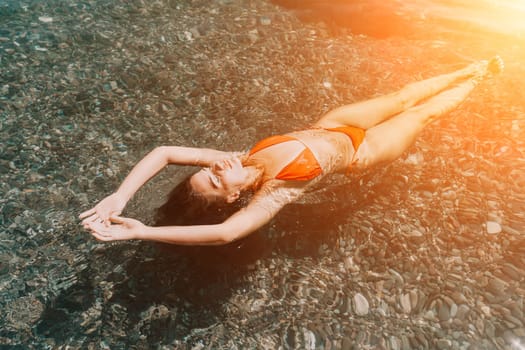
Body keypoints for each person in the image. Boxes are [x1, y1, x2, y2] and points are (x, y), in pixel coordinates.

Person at [80, 57, 503, 245]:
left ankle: (474, 66)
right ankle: (477, 84)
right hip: (365, 150)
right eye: (214, 178)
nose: (216, 166)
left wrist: (121, 196)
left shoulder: (236, 158)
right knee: (423, 115)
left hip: (334, 123)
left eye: (207, 168)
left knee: (404, 94)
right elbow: (225, 233)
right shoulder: (274, 194)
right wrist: (143, 232)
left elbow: (165, 151)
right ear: (230, 197)